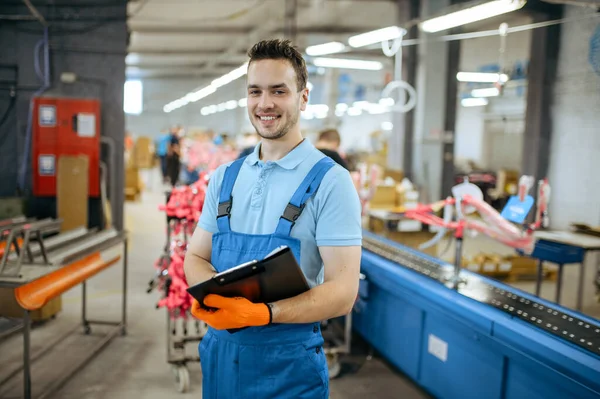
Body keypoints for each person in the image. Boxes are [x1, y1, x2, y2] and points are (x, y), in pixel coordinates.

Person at [183, 39, 362, 399]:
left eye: (279, 91)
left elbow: (343, 293)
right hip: (221, 357)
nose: (265, 103)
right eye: (255, 91)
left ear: (303, 98)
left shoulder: (330, 181)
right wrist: (215, 297)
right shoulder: (225, 178)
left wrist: (263, 313)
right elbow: (195, 257)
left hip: (287, 366)